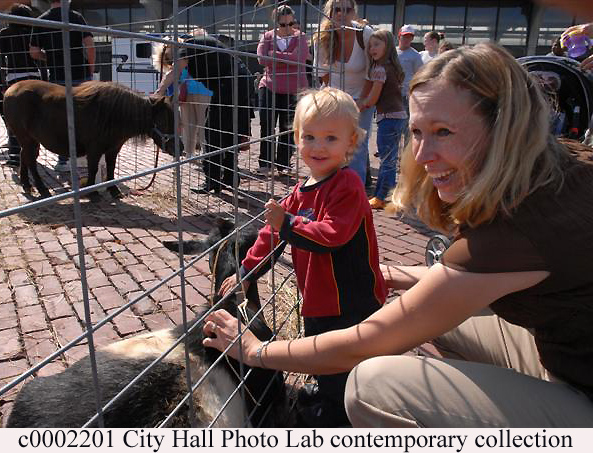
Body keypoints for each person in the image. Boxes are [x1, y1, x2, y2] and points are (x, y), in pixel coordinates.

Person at [203, 43, 593, 427]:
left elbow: (366, 339)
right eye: (417, 131)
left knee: (368, 383)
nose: (421, 155)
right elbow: (466, 282)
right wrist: (249, 271)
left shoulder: (515, 230)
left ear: (505, 128)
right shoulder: (560, 165)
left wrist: (256, 350)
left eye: (443, 131)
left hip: (582, 389)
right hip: (566, 353)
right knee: (436, 316)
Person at [218, 87, 386, 427]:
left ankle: (339, 412)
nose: (318, 147)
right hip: (317, 297)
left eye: (330, 138)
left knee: (343, 358)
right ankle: (324, 389)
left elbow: (332, 235)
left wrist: (288, 223)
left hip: (350, 299)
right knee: (318, 346)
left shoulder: (348, 186)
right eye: (309, 137)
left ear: (351, 142)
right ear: (297, 138)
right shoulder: (301, 190)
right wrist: (247, 271)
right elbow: (270, 235)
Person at [177, 33, 253, 194]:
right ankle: (229, 177)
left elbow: (177, 69)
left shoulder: (188, 47)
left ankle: (212, 180)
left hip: (229, 86)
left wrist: (163, 89)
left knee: (212, 132)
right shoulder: (205, 45)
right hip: (241, 82)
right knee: (229, 131)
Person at [312, 0, 374, 185]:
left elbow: (371, 72)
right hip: (334, 96)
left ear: (354, 13)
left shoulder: (365, 34)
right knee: (332, 142)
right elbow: (322, 73)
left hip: (362, 96)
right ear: (330, 13)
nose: (341, 13)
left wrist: (362, 101)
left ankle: (355, 191)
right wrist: (334, 99)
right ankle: (331, 186)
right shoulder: (322, 35)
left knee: (357, 147)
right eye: (337, 9)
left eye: (347, 10)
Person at [29, 0, 95, 172]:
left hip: (57, 76)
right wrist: (90, 68)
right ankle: (86, 155)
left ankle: (63, 159)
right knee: (86, 115)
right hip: (80, 74)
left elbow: (34, 52)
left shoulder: (41, 20)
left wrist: (49, 57)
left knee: (62, 117)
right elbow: (90, 45)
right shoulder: (76, 17)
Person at [256, 5, 310, 176]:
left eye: (291, 23)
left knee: (288, 128)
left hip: (294, 89)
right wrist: (288, 59)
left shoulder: (300, 36)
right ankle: (265, 163)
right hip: (270, 86)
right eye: (283, 24)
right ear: (276, 23)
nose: (288, 28)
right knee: (267, 124)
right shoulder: (267, 37)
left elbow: (300, 58)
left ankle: (283, 163)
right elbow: (261, 59)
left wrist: (274, 56)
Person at [356, 29, 406, 210]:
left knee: (386, 159)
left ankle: (381, 196)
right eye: (370, 46)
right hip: (398, 116)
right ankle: (387, 194)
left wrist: (358, 105)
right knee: (390, 158)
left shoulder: (379, 70)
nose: (372, 49)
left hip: (388, 117)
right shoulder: (393, 67)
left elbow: (372, 99)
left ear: (388, 45)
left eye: (376, 44)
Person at [153, 35, 213, 157]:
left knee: (198, 125)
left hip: (199, 91)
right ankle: (195, 153)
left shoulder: (184, 55)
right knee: (192, 125)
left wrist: (159, 92)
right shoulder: (185, 54)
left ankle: (202, 154)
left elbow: (171, 75)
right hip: (193, 92)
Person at [0, 3, 42, 169]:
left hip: (14, 77)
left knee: (14, 117)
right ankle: (34, 151)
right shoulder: (33, 32)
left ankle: (15, 154)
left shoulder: (5, 34)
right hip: (34, 76)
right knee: (35, 116)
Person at [396, 24, 423, 115]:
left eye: (409, 37)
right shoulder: (393, 52)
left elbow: (419, 75)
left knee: (404, 119)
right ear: (399, 37)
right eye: (405, 37)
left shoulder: (415, 55)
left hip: (405, 95)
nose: (407, 39)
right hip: (391, 92)